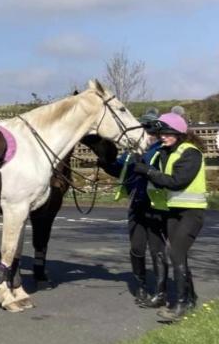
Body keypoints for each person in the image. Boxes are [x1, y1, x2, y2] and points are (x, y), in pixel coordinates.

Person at [125, 111, 207, 322]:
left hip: (191, 212)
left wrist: (148, 172)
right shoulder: (166, 151)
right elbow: (152, 168)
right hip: (172, 211)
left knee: (176, 253)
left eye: (168, 133)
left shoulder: (191, 153)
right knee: (179, 255)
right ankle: (188, 298)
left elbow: (177, 181)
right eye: (162, 133)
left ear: (180, 132)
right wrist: (138, 161)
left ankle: (180, 306)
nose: (163, 136)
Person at [85, 108, 168, 308]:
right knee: (137, 248)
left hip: (155, 206)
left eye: (149, 132)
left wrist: (145, 163)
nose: (146, 135)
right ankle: (140, 286)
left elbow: (164, 174)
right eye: (144, 131)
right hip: (136, 205)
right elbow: (118, 169)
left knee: (157, 249)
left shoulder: (161, 151)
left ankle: (160, 290)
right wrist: (105, 163)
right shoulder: (131, 154)